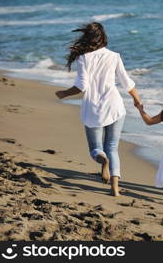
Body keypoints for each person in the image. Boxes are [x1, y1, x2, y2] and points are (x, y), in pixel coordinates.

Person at [55, 22, 142, 197]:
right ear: (102, 38)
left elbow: (81, 87)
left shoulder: (83, 58)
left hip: (93, 109)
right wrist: (137, 100)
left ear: (87, 38)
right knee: (113, 147)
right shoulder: (114, 56)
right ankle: (115, 189)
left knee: (96, 149)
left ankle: (103, 162)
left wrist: (64, 93)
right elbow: (127, 83)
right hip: (115, 106)